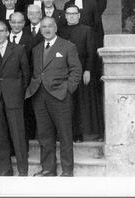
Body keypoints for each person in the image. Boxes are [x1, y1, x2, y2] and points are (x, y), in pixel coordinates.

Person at [25, 17, 82, 177]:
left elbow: (76, 70)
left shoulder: (67, 46)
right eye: (44, 27)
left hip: (60, 96)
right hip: (39, 96)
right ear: (40, 29)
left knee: (64, 134)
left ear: (56, 28)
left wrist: (68, 89)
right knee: (44, 135)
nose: (47, 29)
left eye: (50, 26)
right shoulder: (36, 49)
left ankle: (67, 170)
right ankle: (48, 169)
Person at [0, 21, 30, 176]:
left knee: (18, 134)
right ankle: (5, 169)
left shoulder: (18, 50)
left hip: (14, 97)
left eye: (2, 31)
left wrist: (19, 92)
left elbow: (26, 74)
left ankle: (23, 170)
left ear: (7, 32)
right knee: (0, 135)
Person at [59, 5, 104, 142]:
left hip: (84, 70)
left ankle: (92, 133)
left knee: (85, 102)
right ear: (65, 16)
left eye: (74, 14)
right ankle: (75, 134)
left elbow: (91, 51)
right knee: (70, 103)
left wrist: (88, 70)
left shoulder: (87, 30)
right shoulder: (61, 31)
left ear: (79, 15)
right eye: (69, 14)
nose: (72, 16)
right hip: (66, 73)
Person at [8, 12, 35, 141]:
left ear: (24, 23)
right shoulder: (4, 38)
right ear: (10, 23)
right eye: (14, 22)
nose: (16, 25)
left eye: (19, 22)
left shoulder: (30, 39)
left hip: (23, 83)